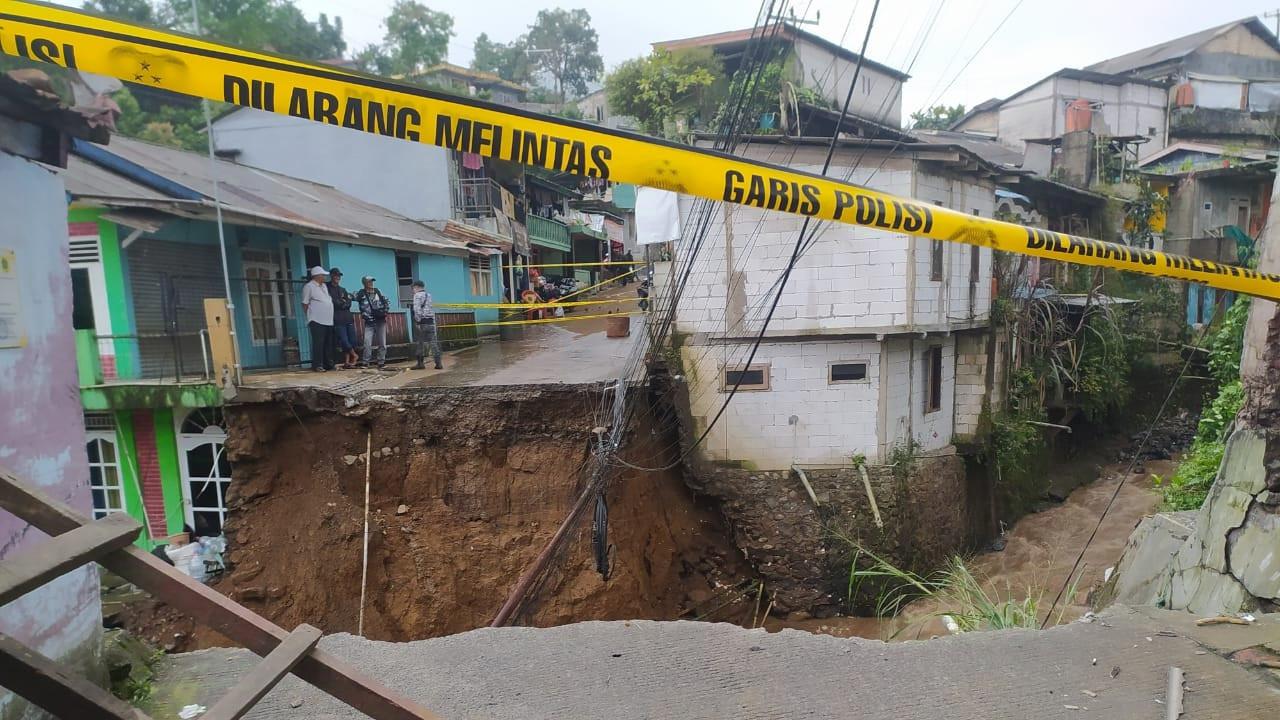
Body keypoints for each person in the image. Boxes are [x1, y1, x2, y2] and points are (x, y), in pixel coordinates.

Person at [301, 266, 335, 372]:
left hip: (328, 320)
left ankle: (328, 364)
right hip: (316, 320)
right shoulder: (309, 286)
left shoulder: (324, 286)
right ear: (317, 276)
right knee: (318, 343)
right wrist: (310, 315)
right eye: (323, 275)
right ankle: (318, 365)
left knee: (328, 343)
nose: (324, 277)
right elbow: (305, 303)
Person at [354, 275, 390, 369]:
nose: (371, 283)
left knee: (382, 343)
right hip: (369, 322)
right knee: (367, 343)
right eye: (369, 282)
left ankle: (381, 362)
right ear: (364, 283)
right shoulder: (361, 293)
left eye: (372, 281)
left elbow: (387, 301)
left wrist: (385, 312)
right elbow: (353, 297)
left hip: (380, 321)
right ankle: (366, 362)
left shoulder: (378, 291)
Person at [327, 267, 358, 369]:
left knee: (352, 340)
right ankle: (354, 355)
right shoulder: (327, 288)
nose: (337, 277)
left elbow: (348, 302)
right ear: (331, 275)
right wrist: (342, 302)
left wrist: (343, 303)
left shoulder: (342, 289)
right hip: (337, 318)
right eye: (335, 275)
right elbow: (333, 302)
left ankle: (347, 361)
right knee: (343, 340)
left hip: (348, 317)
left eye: (339, 275)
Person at [410, 280, 443, 370]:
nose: (413, 290)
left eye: (413, 288)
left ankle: (420, 363)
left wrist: (417, 321)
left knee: (420, 343)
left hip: (422, 322)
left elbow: (417, 310)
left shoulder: (417, 296)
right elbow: (431, 309)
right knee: (433, 343)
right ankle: (438, 363)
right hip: (430, 322)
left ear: (416, 287)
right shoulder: (429, 295)